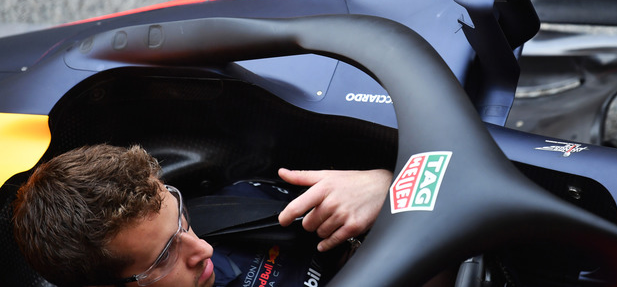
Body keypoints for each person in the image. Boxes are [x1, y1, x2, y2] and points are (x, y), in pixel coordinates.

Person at [12, 144, 392, 287]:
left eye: (180, 219)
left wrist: (384, 186)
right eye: (164, 256)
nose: (203, 249)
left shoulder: (232, 207)